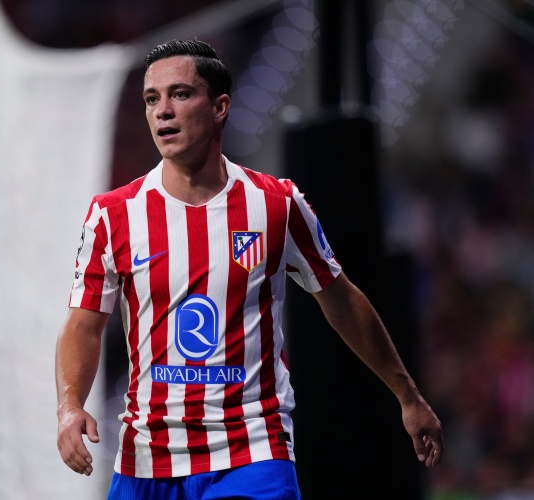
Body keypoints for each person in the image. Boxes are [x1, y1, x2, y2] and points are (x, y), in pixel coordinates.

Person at [55, 39, 443, 499]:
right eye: (151, 99)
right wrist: (69, 406)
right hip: (147, 457)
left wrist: (407, 395)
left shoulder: (277, 204)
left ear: (220, 107)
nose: (163, 111)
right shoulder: (113, 215)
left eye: (180, 94)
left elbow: (341, 301)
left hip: (252, 452)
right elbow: (83, 325)